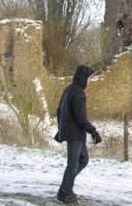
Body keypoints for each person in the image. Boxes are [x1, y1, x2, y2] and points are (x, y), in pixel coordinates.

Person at [54, 65, 102, 204]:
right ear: (83, 78)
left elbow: (59, 111)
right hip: (75, 134)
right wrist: (93, 131)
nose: (90, 81)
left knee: (83, 160)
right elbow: (80, 117)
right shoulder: (78, 93)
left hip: (73, 133)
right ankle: (65, 193)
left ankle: (65, 187)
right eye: (89, 78)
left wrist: (61, 127)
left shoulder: (68, 89)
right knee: (73, 164)